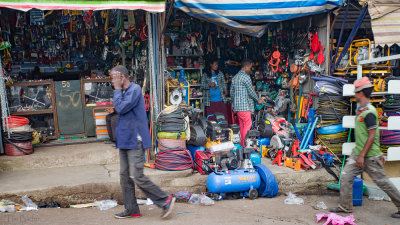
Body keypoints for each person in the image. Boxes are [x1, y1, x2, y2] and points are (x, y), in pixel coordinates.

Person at [329, 77, 400, 218]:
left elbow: (372, 135)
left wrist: (365, 155)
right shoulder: (360, 109)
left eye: (356, 91)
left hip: (369, 156)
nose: (354, 93)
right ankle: (345, 207)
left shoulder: (369, 112)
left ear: (361, 92)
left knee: (383, 183)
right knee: (345, 176)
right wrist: (360, 154)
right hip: (359, 153)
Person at [110, 65, 175, 219]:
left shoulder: (135, 89)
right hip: (124, 141)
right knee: (124, 177)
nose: (112, 80)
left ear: (122, 77)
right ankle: (131, 209)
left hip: (135, 140)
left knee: (137, 176)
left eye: (114, 77)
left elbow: (120, 107)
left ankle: (165, 200)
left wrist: (117, 89)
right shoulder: (124, 91)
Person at [230, 59, 264, 147]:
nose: (250, 69)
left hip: (237, 108)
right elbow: (251, 91)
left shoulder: (235, 77)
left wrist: (235, 102)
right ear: (245, 67)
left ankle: (242, 144)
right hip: (244, 107)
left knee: (242, 125)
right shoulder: (246, 77)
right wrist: (258, 100)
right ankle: (245, 144)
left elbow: (231, 93)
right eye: (249, 67)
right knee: (247, 125)